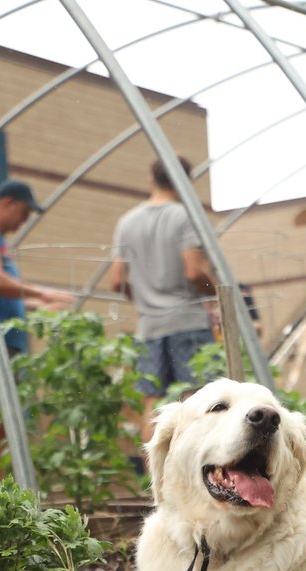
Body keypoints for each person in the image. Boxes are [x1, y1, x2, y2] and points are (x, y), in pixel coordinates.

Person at [0, 179, 75, 481]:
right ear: (7, 202)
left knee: (0, 423)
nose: (23, 221)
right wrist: (41, 293)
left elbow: (0, 297)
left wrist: (37, 307)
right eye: (23, 212)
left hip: (0, 341)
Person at [109, 156, 219, 444]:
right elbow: (195, 272)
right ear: (184, 181)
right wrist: (218, 290)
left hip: (148, 329)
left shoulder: (127, 222)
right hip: (188, 323)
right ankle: (196, 482)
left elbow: (116, 280)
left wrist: (146, 299)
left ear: (151, 179)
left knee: (153, 406)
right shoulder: (184, 216)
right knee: (196, 401)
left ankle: (155, 485)